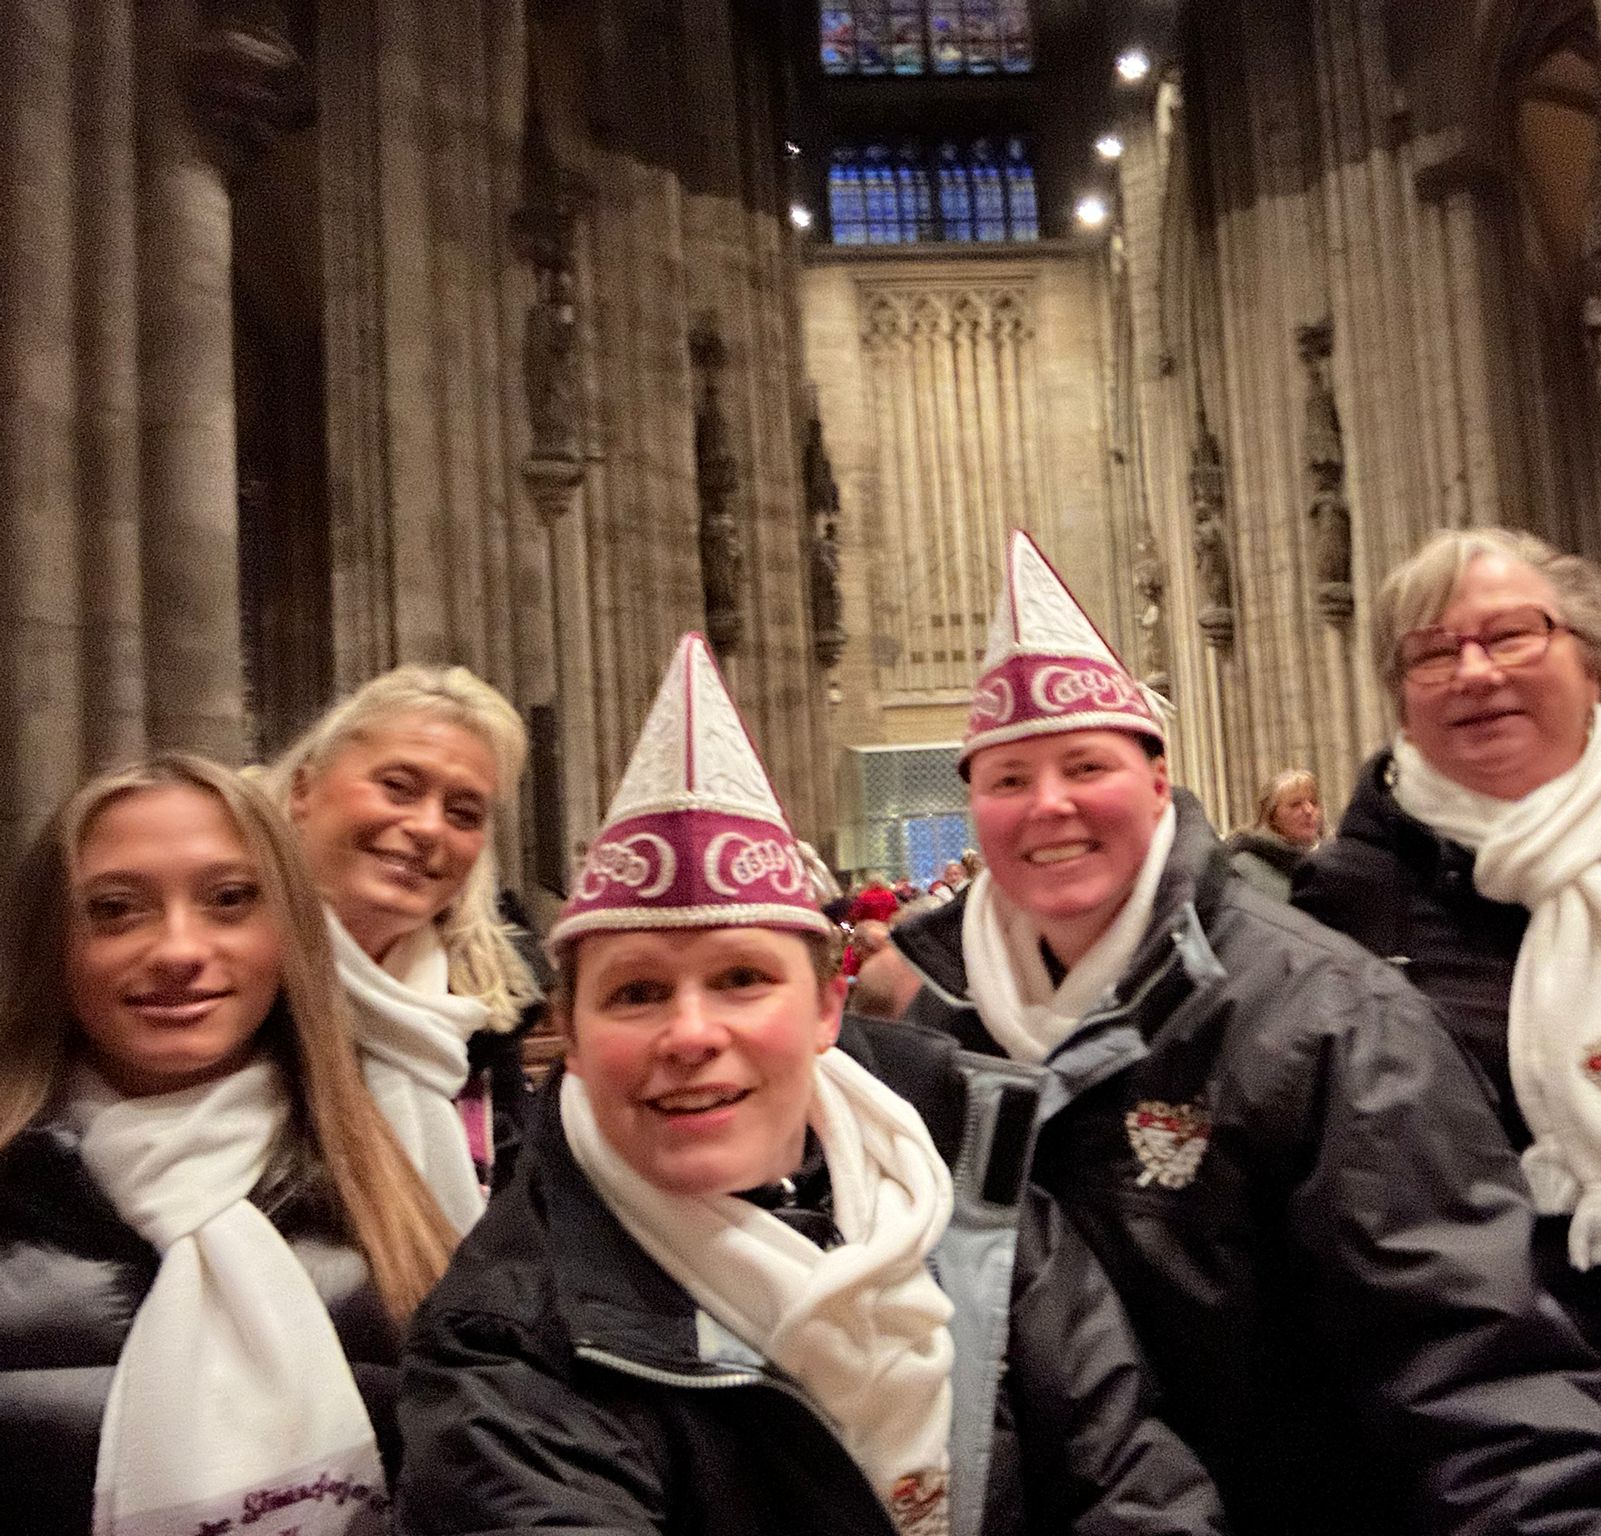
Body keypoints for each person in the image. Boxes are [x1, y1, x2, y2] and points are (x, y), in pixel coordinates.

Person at [397, 634, 1226, 1536]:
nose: (691, 1033)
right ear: (579, 1041)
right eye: (636, 993)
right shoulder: (506, 1346)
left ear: (829, 1008)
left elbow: (1132, 1480)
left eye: (742, 979)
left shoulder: (972, 1192)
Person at [887, 529, 1601, 1536]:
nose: (1046, 805)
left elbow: (1467, 1360)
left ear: (1155, 784)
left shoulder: (1325, 1015)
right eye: (1006, 779)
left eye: (1083, 765)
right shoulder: (937, 1030)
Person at [1292, 527, 1601, 1533]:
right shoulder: (1345, 905)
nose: (1472, 673)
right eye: (1431, 653)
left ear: (1589, 655)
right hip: (1501, 1466)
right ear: (1398, 692)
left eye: (1510, 636)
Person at [0, 754, 456, 1536]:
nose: (179, 949)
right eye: (114, 909)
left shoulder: (389, 1202)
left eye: (230, 900)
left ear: (287, 932)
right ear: (54, 946)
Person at [268, 665, 541, 1228]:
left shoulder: (474, 1015)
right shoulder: (223, 987)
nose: (428, 828)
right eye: (398, 788)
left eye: (463, 813)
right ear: (303, 790)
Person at [1223, 768, 1321, 901]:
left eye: (1313, 803)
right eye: (1295, 805)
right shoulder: (1243, 866)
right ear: (1272, 816)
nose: (1309, 810)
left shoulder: (1329, 860)